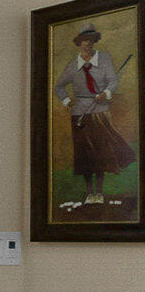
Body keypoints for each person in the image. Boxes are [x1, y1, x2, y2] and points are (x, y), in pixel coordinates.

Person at [53, 25, 136, 207]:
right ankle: (89, 193)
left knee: (101, 152)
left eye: (90, 40)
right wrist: (67, 101)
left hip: (100, 113)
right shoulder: (73, 65)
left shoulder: (104, 59)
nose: (87, 44)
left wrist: (105, 93)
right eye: (84, 40)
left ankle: (99, 192)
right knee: (85, 154)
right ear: (79, 43)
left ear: (94, 42)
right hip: (80, 115)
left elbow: (113, 80)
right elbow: (58, 87)